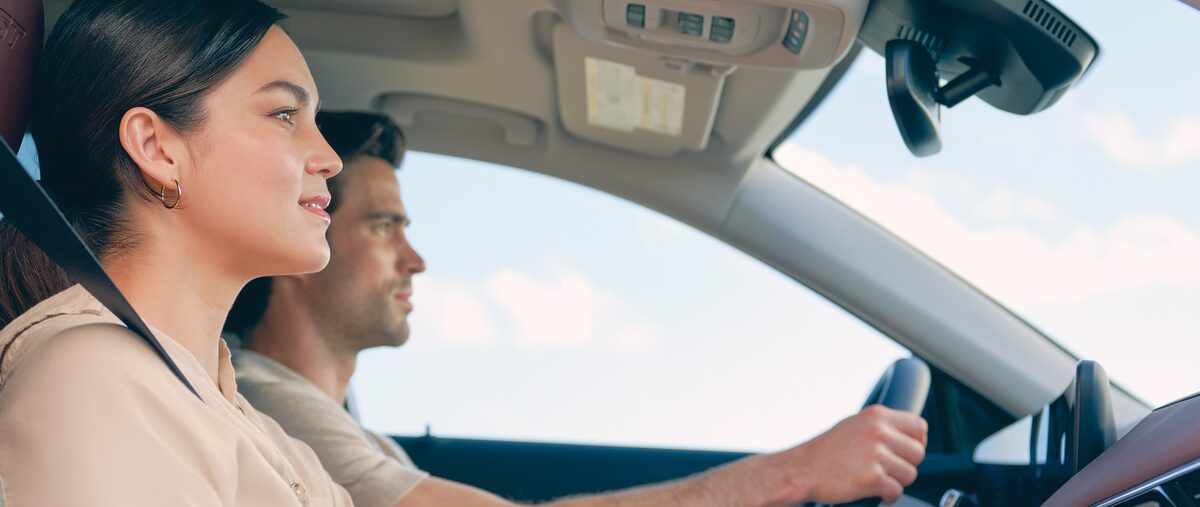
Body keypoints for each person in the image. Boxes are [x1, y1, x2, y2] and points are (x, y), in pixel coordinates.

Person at [227, 112, 930, 507]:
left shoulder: (340, 427)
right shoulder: (267, 407)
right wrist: (798, 471)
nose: (416, 260)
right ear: (300, 245)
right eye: (384, 227)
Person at [0, 0, 355, 505]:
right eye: (284, 115)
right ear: (157, 148)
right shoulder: (94, 378)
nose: (331, 159)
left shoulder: (261, 432)